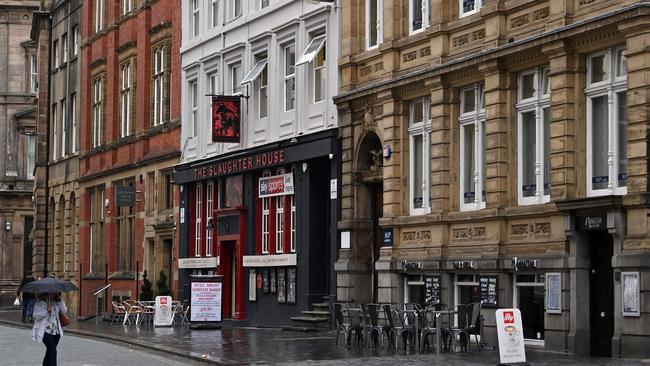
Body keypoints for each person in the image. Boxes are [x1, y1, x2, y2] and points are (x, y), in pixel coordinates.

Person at [32, 293, 68, 366]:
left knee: (50, 352)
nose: (54, 293)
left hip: (56, 331)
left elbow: (64, 311)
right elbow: (35, 315)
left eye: (56, 291)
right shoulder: (41, 301)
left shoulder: (57, 301)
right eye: (52, 291)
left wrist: (60, 301)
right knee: (53, 352)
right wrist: (47, 311)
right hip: (45, 330)